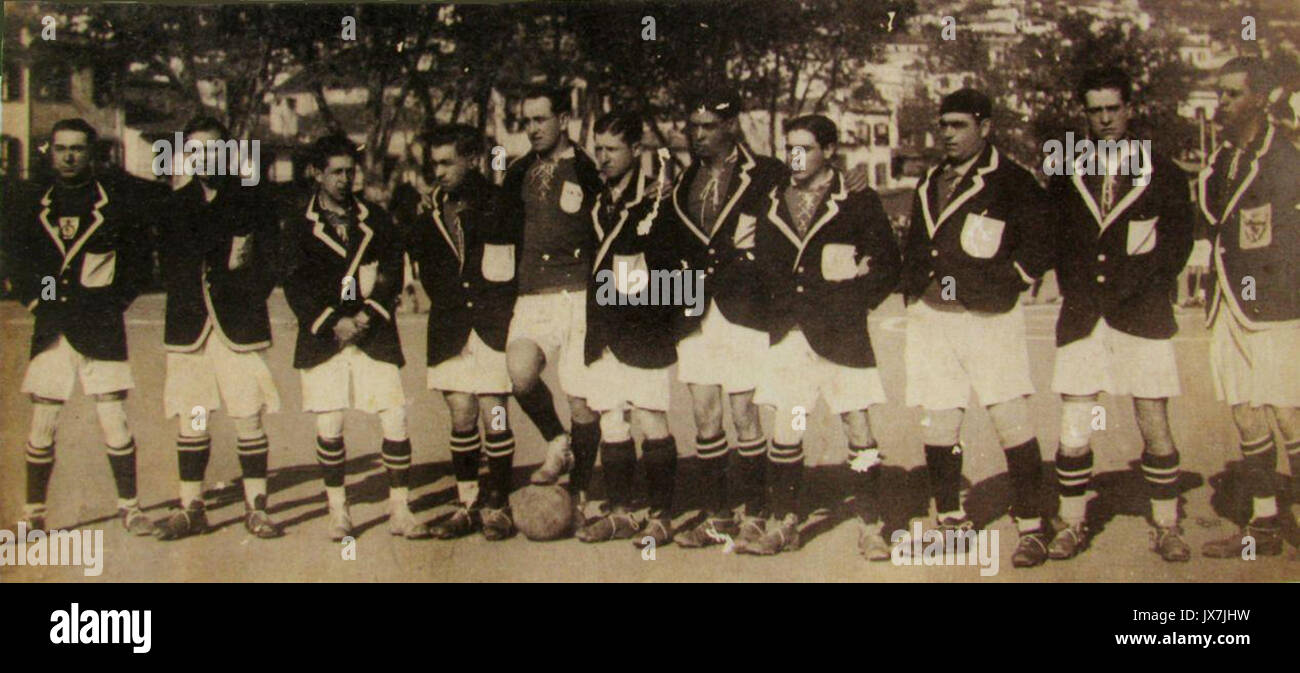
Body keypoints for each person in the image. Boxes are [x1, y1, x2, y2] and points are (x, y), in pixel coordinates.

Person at [899, 89, 1056, 568]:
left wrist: (1012, 282)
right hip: (932, 315)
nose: (947, 133)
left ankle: (1032, 526)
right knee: (940, 420)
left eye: (959, 124)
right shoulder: (930, 179)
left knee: (1010, 418)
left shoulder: (1012, 180)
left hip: (988, 317)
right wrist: (912, 290)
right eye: (943, 124)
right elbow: (918, 241)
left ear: (985, 127)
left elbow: (1042, 240)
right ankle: (951, 519)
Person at [1046, 67, 1195, 562]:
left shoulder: (1162, 169)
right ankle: (1070, 522)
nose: (1105, 119)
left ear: (1129, 109)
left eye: (1113, 108)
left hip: (1143, 311)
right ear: (1084, 114)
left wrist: (1142, 285)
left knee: (1153, 420)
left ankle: (1167, 523)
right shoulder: (1067, 169)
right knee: (1075, 422)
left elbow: (1178, 242)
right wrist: (1078, 285)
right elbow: (1059, 237)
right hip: (1086, 312)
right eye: (1095, 110)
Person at [741, 115, 901, 557]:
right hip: (791, 333)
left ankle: (871, 524)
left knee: (858, 424)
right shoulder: (773, 199)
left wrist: (853, 301)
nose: (795, 157)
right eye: (789, 147)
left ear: (829, 150)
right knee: (788, 427)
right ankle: (784, 521)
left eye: (805, 148)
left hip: (842, 334)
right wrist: (773, 311)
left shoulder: (856, 199)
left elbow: (888, 264)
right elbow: (761, 266)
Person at [6, 118, 154, 535]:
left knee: (114, 418)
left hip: (101, 326)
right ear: (49, 153)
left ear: (92, 153)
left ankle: (131, 507)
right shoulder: (36, 203)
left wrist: (110, 304)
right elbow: (23, 263)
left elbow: (137, 264)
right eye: (61, 148)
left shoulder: (113, 203)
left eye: (77, 149)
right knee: (43, 422)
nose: (69, 156)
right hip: (54, 328)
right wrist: (43, 301)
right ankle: (34, 514)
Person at [283, 134, 428, 541]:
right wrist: (333, 322)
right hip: (324, 337)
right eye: (337, 172)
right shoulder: (299, 224)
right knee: (330, 423)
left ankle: (400, 508)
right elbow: (295, 284)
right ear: (316, 173)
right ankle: (338, 510)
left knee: (395, 415)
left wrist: (367, 315)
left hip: (373, 332)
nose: (346, 179)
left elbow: (391, 271)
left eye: (351, 171)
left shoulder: (376, 218)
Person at [664, 88, 791, 548]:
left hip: (745, 307)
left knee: (744, 413)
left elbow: (810, 199)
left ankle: (756, 512)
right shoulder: (681, 182)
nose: (697, 136)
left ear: (732, 124)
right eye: (692, 127)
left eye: (707, 127)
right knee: (704, 414)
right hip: (695, 310)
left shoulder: (769, 173)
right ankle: (719, 515)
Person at [154, 116, 285, 540]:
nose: (204, 158)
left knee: (248, 415)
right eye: (194, 150)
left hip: (239, 326)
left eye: (213, 149)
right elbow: (171, 269)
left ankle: (256, 506)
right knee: (193, 419)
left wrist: (241, 290)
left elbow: (270, 263)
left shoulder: (252, 199)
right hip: (190, 329)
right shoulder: (175, 204)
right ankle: (192, 506)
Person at [1197, 57, 1300, 558]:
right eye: (1220, 93)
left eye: (1233, 94)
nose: (1222, 103)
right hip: (1229, 305)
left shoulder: (1286, 159)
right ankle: (1262, 526)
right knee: (1246, 415)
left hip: (1279, 308)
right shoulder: (1221, 160)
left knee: (1288, 414)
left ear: (1261, 98)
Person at [499, 85, 605, 525]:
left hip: (580, 293)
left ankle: (580, 492)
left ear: (564, 119)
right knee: (521, 374)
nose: (533, 129)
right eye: (527, 121)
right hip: (533, 292)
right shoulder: (517, 171)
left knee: (582, 401)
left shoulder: (587, 169)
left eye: (541, 119)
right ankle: (556, 441)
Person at [408, 124, 519, 541]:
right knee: (461, 413)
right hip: (450, 326)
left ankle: (499, 503)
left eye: (446, 162)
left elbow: (513, 261)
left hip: (491, 324)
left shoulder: (499, 203)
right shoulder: (430, 208)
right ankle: (468, 502)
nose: (438, 171)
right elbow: (421, 260)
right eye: (434, 163)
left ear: (472, 160)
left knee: (494, 411)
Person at [576, 112, 679, 547]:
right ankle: (620, 512)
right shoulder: (598, 201)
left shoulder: (659, 197)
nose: (602, 158)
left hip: (645, 326)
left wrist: (647, 304)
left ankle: (661, 516)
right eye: (598, 149)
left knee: (651, 418)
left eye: (612, 149)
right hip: (603, 327)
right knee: (611, 420)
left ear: (637, 151)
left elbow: (676, 274)